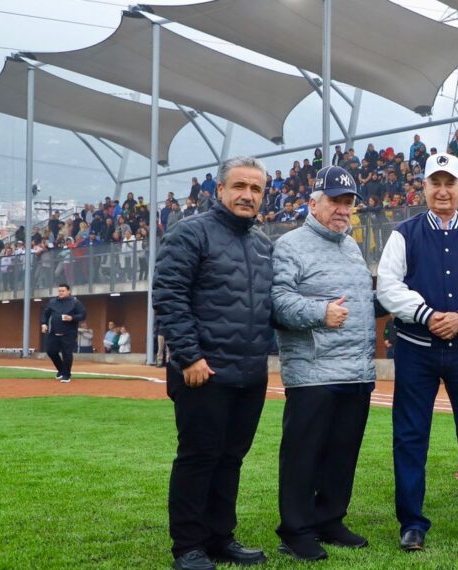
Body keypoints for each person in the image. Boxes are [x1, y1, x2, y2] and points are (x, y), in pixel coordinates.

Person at [154, 156, 274, 570]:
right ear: (220, 190)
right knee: (198, 457)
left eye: (256, 189)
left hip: (250, 373)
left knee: (230, 459)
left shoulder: (263, 244)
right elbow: (169, 295)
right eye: (239, 186)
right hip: (202, 371)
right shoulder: (190, 233)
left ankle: (221, 537)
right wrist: (189, 356)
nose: (247, 195)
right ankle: (188, 545)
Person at [376, 153, 458, 552]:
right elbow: (387, 286)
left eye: (450, 183)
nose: (443, 191)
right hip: (416, 350)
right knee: (410, 436)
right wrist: (427, 315)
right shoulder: (404, 233)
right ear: (424, 187)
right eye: (435, 183)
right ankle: (412, 523)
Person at [271, 166, 376, 561]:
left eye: (348, 202)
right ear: (313, 203)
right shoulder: (289, 245)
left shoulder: (351, 246)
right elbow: (277, 302)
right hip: (313, 372)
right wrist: (320, 312)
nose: (342, 209)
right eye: (334, 201)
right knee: (303, 455)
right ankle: (295, 530)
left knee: (342, 453)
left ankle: (329, 519)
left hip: (356, 371)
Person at [41, 283, 86, 383]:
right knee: (51, 351)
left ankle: (66, 375)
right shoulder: (53, 302)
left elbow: (83, 314)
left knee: (67, 354)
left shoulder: (75, 302)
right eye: (59, 291)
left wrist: (72, 318)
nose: (61, 293)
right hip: (54, 332)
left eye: (63, 291)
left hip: (69, 333)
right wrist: (44, 324)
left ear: (68, 291)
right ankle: (61, 370)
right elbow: (45, 313)